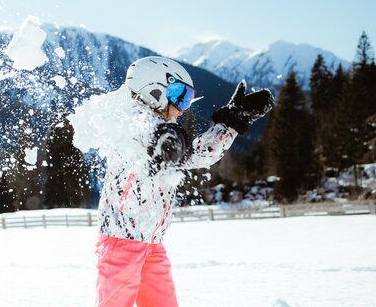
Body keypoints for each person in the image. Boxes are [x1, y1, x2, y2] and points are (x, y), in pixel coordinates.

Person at [95, 56, 273, 306]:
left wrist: (231, 123)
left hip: (153, 242)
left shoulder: (166, 135)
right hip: (121, 243)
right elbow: (149, 133)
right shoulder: (132, 121)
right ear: (153, 90)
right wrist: (168, 138)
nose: (183, 107)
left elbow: (198, 154)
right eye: (179, 95)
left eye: (187, 98)